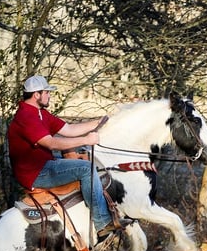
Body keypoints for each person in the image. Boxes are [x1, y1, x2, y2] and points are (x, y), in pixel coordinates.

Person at [7, 75, 130, 240]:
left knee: (84, 164)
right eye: (47, 92)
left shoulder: (40, 113)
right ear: (37, 95)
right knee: (86, 168)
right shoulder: (26, 117)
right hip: (36, 173)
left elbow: (69, 129)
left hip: (45, 165)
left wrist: (101, 121)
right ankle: (102, 223)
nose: (49, 95)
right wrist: (86, 140)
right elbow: (50, 143)